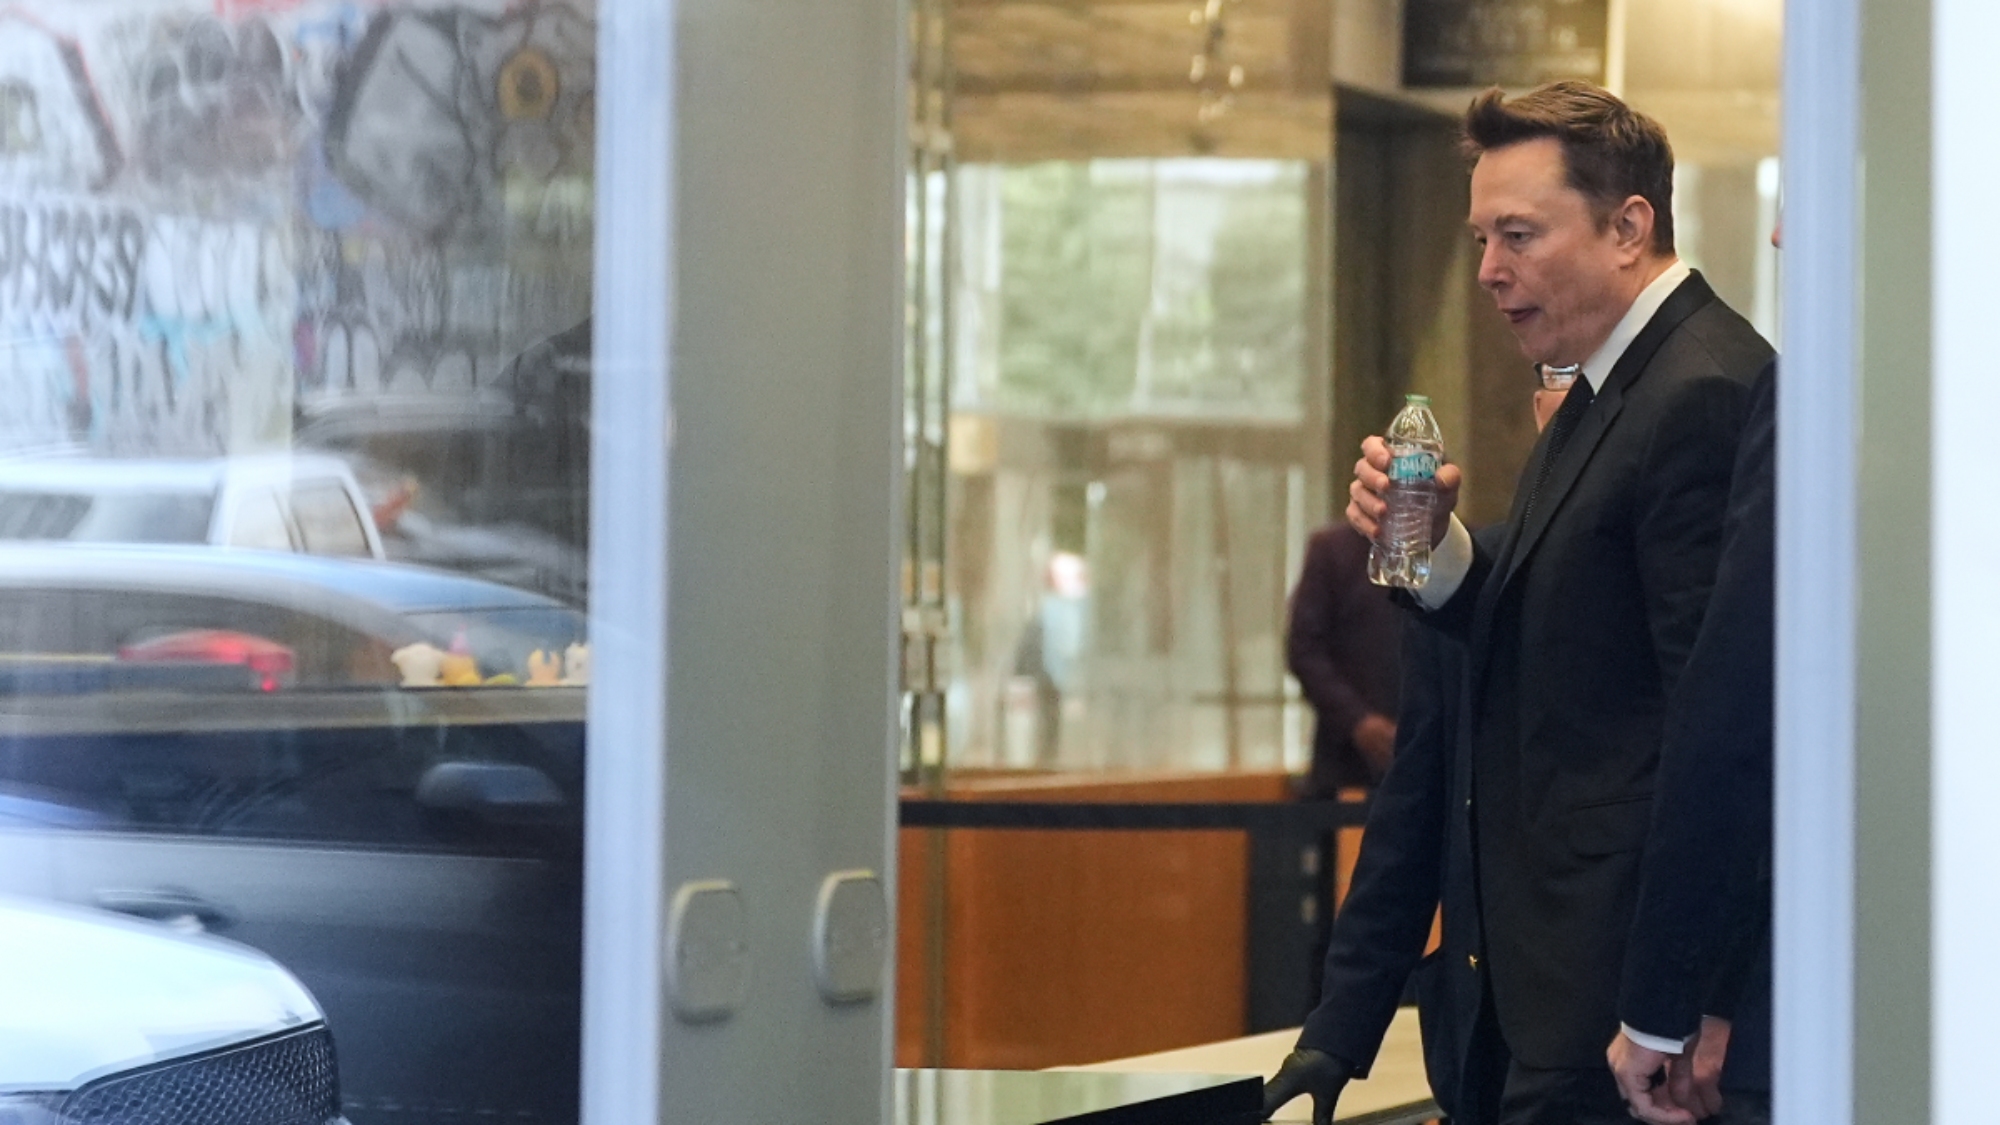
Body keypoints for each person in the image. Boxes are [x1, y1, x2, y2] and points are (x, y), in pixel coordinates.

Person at [1268, 80, 1773, 1125]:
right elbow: (1573, 641)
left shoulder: (1702, 390)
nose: (1489, 271)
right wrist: (1436, 556)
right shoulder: (1602, 388)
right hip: (1548, 998)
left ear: (1627, 227)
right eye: (1480, 238)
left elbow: (1724, 724)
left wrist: (1691, 998)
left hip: (1622, 1016)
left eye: (1518, 235)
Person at [1286, 524, 1403, 795]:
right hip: (1348, 763)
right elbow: (1305, 649)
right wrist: (1358, 720)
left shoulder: (1463, 550)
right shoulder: (1333, 550)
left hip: (1441, 758)